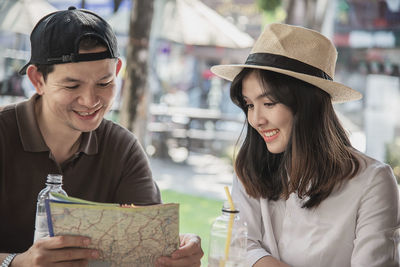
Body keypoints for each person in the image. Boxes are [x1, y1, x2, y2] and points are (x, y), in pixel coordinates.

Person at [0, 7, 202, 267]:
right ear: (37, 79)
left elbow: (149, 246)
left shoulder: (123, 148)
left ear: (117, 70)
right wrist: (17, 262)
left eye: (104, 83)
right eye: (72, 85)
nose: (90, 101)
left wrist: (175, 251)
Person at [211, 23, 399, 267]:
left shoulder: (372, 182)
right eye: (249, 105)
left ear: (308, 105)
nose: (256, 120)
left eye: (268, 103)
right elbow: (239, 244)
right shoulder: (251, 167)